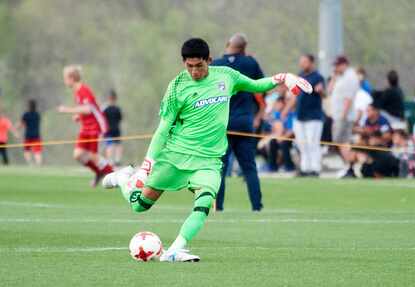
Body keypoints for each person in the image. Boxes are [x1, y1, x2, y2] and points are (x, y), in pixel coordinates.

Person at [102, 38, 310, 262]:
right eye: (189, 66)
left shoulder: (226, 76)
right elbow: (162, 131)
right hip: (174, 156)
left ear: (209, 60)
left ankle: (174, 250)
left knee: (205, 202)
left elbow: (257, 85)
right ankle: (124, 179)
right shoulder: (176, 88)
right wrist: (145, 167)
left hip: (209, 160)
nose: (194, 71)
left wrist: (284, 78)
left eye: (199, 66)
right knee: (139, 206)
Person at [211, 33, 265, 211]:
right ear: (244, 48)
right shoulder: (250, 63)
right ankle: (256, 207)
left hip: (222, 125)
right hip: (244, 123)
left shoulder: (216, 65)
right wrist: (258, 113)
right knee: (249, 168)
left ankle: (218, 207)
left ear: (228, 44)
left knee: (220, 169)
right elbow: (263, 87)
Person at [58, 65, 113, 187]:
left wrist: (67, 110)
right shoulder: (77, 91)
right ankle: (99, 172)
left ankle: (113, 175)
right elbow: (88, 109)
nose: (65, 81)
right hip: (85, 127)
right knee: (77, 155)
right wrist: (78, 116)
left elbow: (88, 109)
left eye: (65, 78)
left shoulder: (83, 90)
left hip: (95, 127)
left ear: (72, 78)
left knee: (94, 156)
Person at [283, 54, 325, 176]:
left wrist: (321, 91)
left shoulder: (318, 77)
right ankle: (305, 168)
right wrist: (286, 110)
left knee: (313, 143)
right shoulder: (300, 76)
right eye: (301, 62)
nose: (302, 64)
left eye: (305, 62)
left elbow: (325, 94)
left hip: (314, 117)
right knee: (301, 144)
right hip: (299, 116)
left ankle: (315, 169)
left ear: (311, 63)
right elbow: (295, 96)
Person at [327, 55, 360, 175]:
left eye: (337, 65)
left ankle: (351, 166)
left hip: (344, 116)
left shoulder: (350, 77)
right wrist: (334, 77)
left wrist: (343, 116)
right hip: (337, 115)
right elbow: (329, 91)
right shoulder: (340, 77)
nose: (336, 68)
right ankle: (348, 166)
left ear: (344, 64)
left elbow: (348, 98)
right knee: (339, 142)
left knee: (342, 142)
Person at [17, 99, 43, 165]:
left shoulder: (26, 114)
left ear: (28, 106)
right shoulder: (37, 114)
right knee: (37, 151)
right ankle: (38, 164)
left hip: (28, 135)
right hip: (36, 135)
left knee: (26, 150)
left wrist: (16, 128)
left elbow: (21, 124)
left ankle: (30, 164)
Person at [103, 89, 123, 166]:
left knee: (112, 145)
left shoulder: (107, 109)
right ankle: (114, 160)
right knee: (113, 145)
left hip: (111, 130)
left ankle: (114, 161)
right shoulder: (116, 109)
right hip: (112, 130)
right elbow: (120, 118)